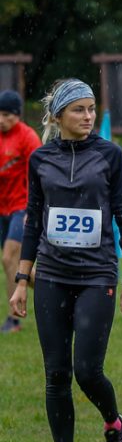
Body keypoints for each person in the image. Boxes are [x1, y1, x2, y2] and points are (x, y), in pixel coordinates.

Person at [10, 78, 122, 442]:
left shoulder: (110, 156)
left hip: (97, 274)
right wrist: (22, 280)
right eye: (79, 110)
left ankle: (114, 425)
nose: (88, 117)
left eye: (92, 109)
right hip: (52, 275)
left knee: (87, 370)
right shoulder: (41, 159)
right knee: (56, 373)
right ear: (58, 115)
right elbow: (32, 222)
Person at [0, 90, 41, 333]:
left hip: (22, 207)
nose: (1, 120)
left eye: (6, 115)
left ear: (17, 115)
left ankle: (13, 319)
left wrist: (33, 210)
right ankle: (55, 287)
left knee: (8, 258)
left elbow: (39, 177)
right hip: (2, 208)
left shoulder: (28, 138)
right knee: (12, 264)